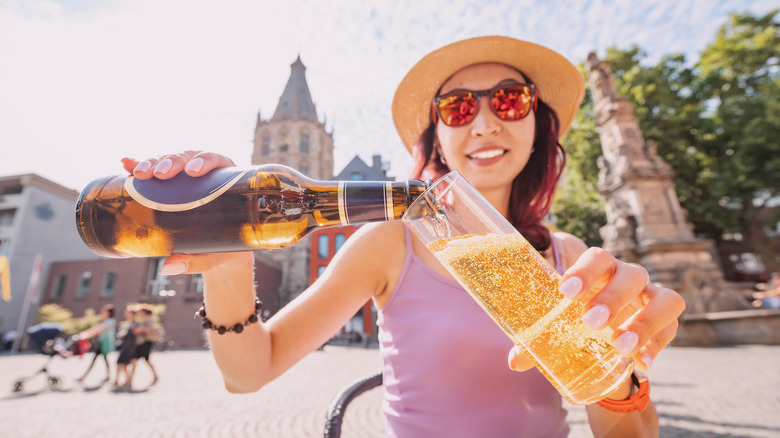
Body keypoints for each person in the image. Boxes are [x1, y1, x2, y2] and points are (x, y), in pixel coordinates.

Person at [122, 36, 686, 437]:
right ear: (434, 137)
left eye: (511, 100)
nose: (485, 123)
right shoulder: (391, 242)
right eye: (459, 106)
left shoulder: (569, 260)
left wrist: (620, 379)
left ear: (538, 126)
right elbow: (248, 373)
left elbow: (625, 432)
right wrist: (226, 261)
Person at [76, 304, 116, 384]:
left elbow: (99, 330)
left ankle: (84, 376)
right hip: (101, 342)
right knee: (104, 359)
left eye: (104, 311)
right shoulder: (105, 320)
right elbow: (96, 328)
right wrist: (85, 332)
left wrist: (86, 335)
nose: (102, 312)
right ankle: (108, 376)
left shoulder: (110, 321)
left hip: (104, 343)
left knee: (96, 359)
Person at [125, 307, 160, 388]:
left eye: (140, 312)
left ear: (144, 312)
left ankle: (130, 380)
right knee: (140, 360)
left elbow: (151, 329)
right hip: (142, 343)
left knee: (141, 360)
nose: (139, 314)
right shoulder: (143, 320)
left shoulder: (148, 319)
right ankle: (130, 380)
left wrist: (140, 330)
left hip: (146, 342)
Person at [114, 307, 137, 388]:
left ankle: (122, 381)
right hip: (124, 345)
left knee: (121, 363)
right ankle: (124, 380)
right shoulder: (127, 323)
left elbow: (133, 334)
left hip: (129, 346)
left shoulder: (134, 323)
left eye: (128, 312)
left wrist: (125, 333)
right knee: (121, 364)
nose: (126, 314)